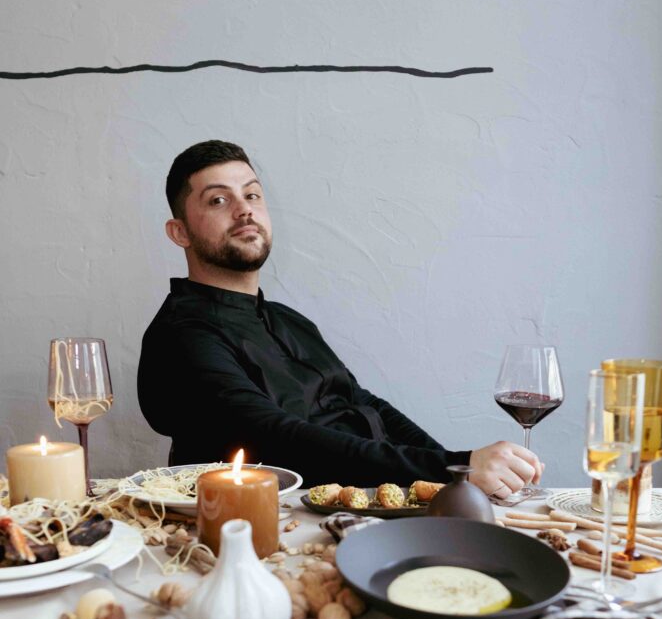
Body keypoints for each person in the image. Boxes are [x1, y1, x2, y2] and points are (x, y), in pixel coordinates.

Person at [137, 140, 543, 495]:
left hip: (375, 500)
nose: (244, 211)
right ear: (180, 232)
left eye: (253, 195)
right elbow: (271, 435)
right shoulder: (181, 334)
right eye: (218, 200)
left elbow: (364, 403)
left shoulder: (290, 322)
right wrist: (452, 468)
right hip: (283, 522)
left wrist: (455, 474)